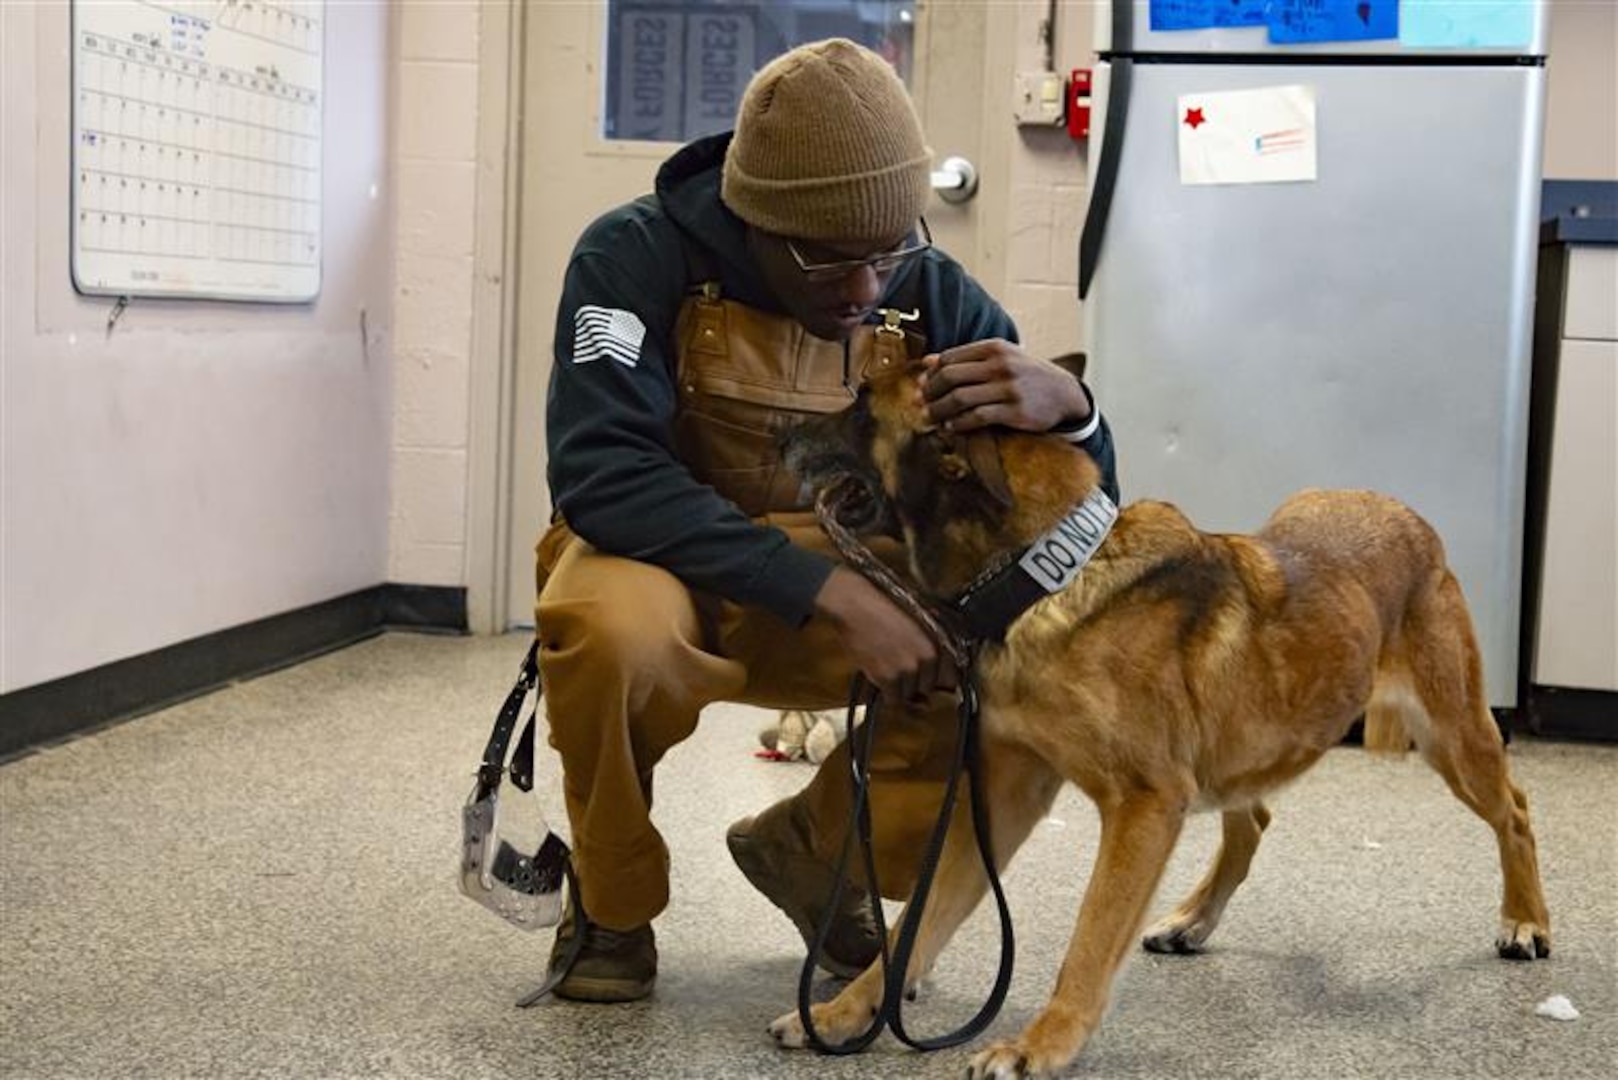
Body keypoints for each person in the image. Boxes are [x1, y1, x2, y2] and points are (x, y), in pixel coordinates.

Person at [536, 37, 1118, 1002]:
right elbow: (603, 475)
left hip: (846, 576)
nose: (862, 289)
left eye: (886, 253)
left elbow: (1052, 522)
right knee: (606, 632)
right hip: (661, 565)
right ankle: (610, 899)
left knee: (997, 636)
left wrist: (1079, 416)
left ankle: (819, 854)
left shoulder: (927, 293)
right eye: (828, 259)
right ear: (751, 220)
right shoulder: (632, 255)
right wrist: (826, 591)